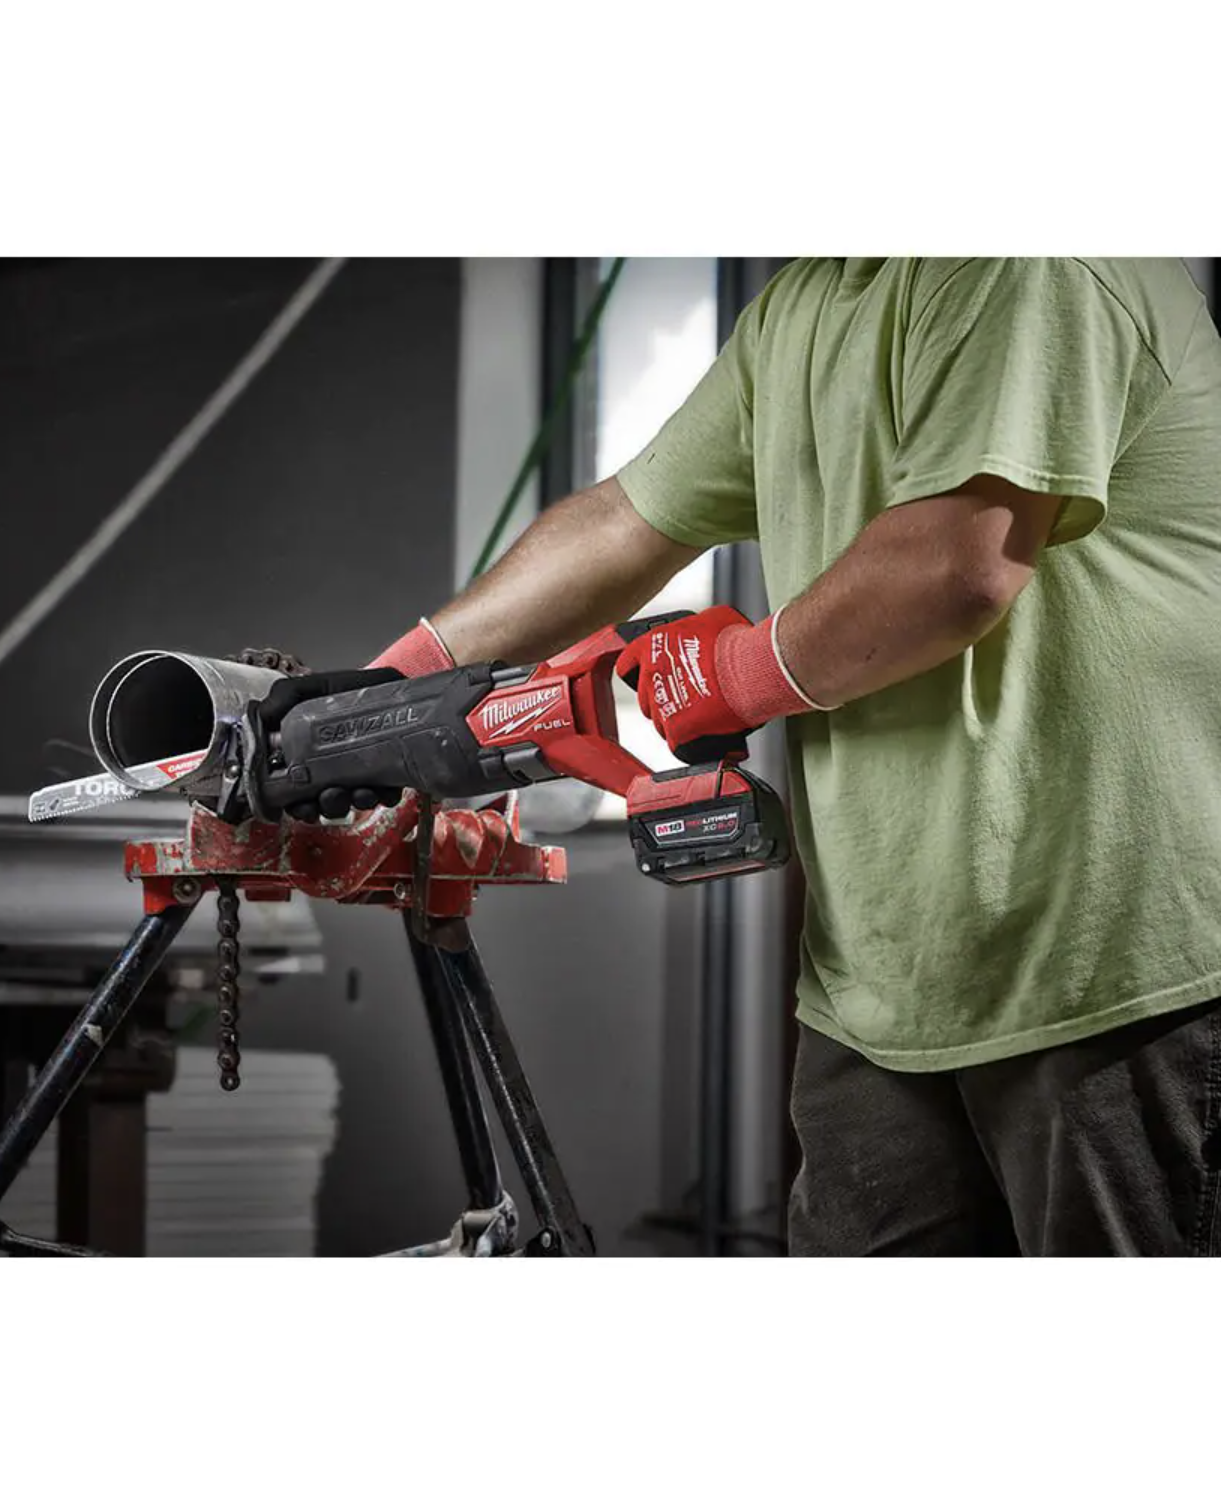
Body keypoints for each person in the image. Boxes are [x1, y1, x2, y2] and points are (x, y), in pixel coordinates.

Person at [352, 258, 1221, 1256]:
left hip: (1114, 970)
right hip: (882, 984)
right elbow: (627, 525)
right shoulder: (802, 306)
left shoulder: (1031, 262)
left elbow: (955, 567)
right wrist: (384, 695)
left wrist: (726, 674)